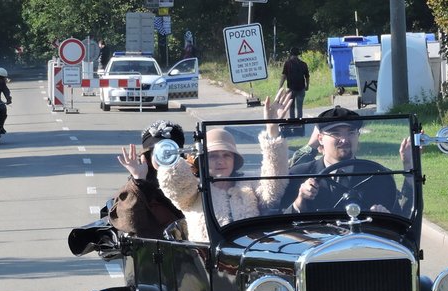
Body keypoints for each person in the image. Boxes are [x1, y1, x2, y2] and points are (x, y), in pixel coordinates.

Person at [157, 91, 292, 241]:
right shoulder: (195, 191)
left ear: (234, 159)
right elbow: (175, 183)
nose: (220, 161)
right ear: (203, 160)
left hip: (246, 255)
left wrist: (272, 130)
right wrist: (169, 160)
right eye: (213, 156)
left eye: (226, 155)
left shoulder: (248, 184)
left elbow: (274, 184)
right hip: (207, 258)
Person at [281, 106, 411, 215]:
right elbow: (281, 226)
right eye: (335, 133)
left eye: (351, 132)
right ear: (320, 138)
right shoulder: (299, 175)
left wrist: (384, 218)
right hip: (316, 243)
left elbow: (402, 219)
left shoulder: (377, 175)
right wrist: (300, 200)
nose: (344, 140)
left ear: (358, 136)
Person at [109, 121, 187, 239]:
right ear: (148, 157)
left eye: (171, 152)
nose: (166, 158)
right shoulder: (139, 186)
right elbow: (129, 223)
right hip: (153, 250)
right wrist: (138, 180)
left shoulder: (193, 179)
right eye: (159, 153)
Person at [277, 47, 309, 120]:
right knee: (300, 107)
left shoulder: (287, 64)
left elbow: (284, 76)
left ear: (290, 54)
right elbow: (307, 77)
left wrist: (280, 87)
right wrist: (307, 86)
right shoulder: (303, 64)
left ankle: (293, 121)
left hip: (291, 89)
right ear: (298, 54)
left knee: (291, 106)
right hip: (301, 88)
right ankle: (300, 121)